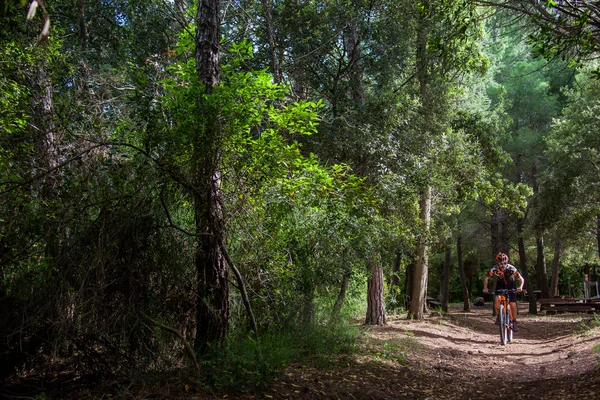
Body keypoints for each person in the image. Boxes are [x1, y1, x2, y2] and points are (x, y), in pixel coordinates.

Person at [483, 252, 524, 332]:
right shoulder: (494, 269)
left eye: (504, 263)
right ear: (498, 263)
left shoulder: (512, 269)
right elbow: (486, 278)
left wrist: (520, 287)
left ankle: (514, 322)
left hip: (511, 285)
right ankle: (499, 316)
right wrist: (485, 288)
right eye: (500, 263)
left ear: (507, 262)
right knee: (497, 298)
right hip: (500, 284)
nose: (503, 265)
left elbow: (521, 279)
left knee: (512, 303)